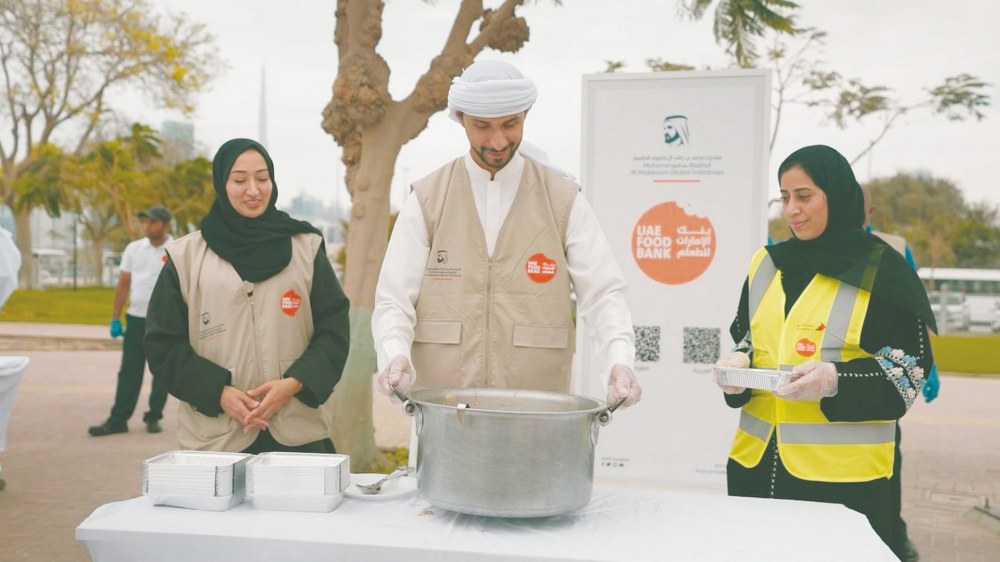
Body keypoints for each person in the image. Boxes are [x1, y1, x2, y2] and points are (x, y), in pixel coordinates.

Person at [371, 59, 641, 409]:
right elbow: (394, 300)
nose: (498, 141)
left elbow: (604, 294)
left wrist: (620, 361)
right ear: (460, 118)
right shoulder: (426, 199)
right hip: (442, 414)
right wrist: (394, 354)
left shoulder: (562, 200)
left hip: (537, 414)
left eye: (510, 124)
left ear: (526, 113)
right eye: (482, 126)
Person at [713, 145, 936, 558]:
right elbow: (750, 339)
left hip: (842, 486)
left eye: (804, 196)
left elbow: (909, 374)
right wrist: (739, 362)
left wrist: (834, 380)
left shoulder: (882, 270)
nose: (791, 210)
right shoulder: (766, 262)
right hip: (756, 469)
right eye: (784, 197)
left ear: (835, 195)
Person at [144, 138, 350, 454]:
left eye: (262, 178)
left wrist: (295, 383)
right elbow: (162, 344)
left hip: (298, 435)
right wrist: (217, 392)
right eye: (240, 180)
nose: (253, 190)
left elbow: (333, 329)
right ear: (222, 183)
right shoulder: (186, 257)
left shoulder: (306, 247)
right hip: (218, 441)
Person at [863, 184, 936, 562]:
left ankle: (896, 540)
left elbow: (914, 309)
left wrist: (929, 365)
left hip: (883, 375)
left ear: (870, 210)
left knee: (889, 468)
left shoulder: (892, 248)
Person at [88, 206, 173, 436]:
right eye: (145, 221)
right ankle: (118, 419)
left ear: (165, 224)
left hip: (165, 322)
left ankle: (154, 416)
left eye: (152, 222)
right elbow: (123, 283)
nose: (147, 226)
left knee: (162, 372)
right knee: (129, 372)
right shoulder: (134, 249)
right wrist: (115, 318)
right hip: (135, 319)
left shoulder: (176, 249)